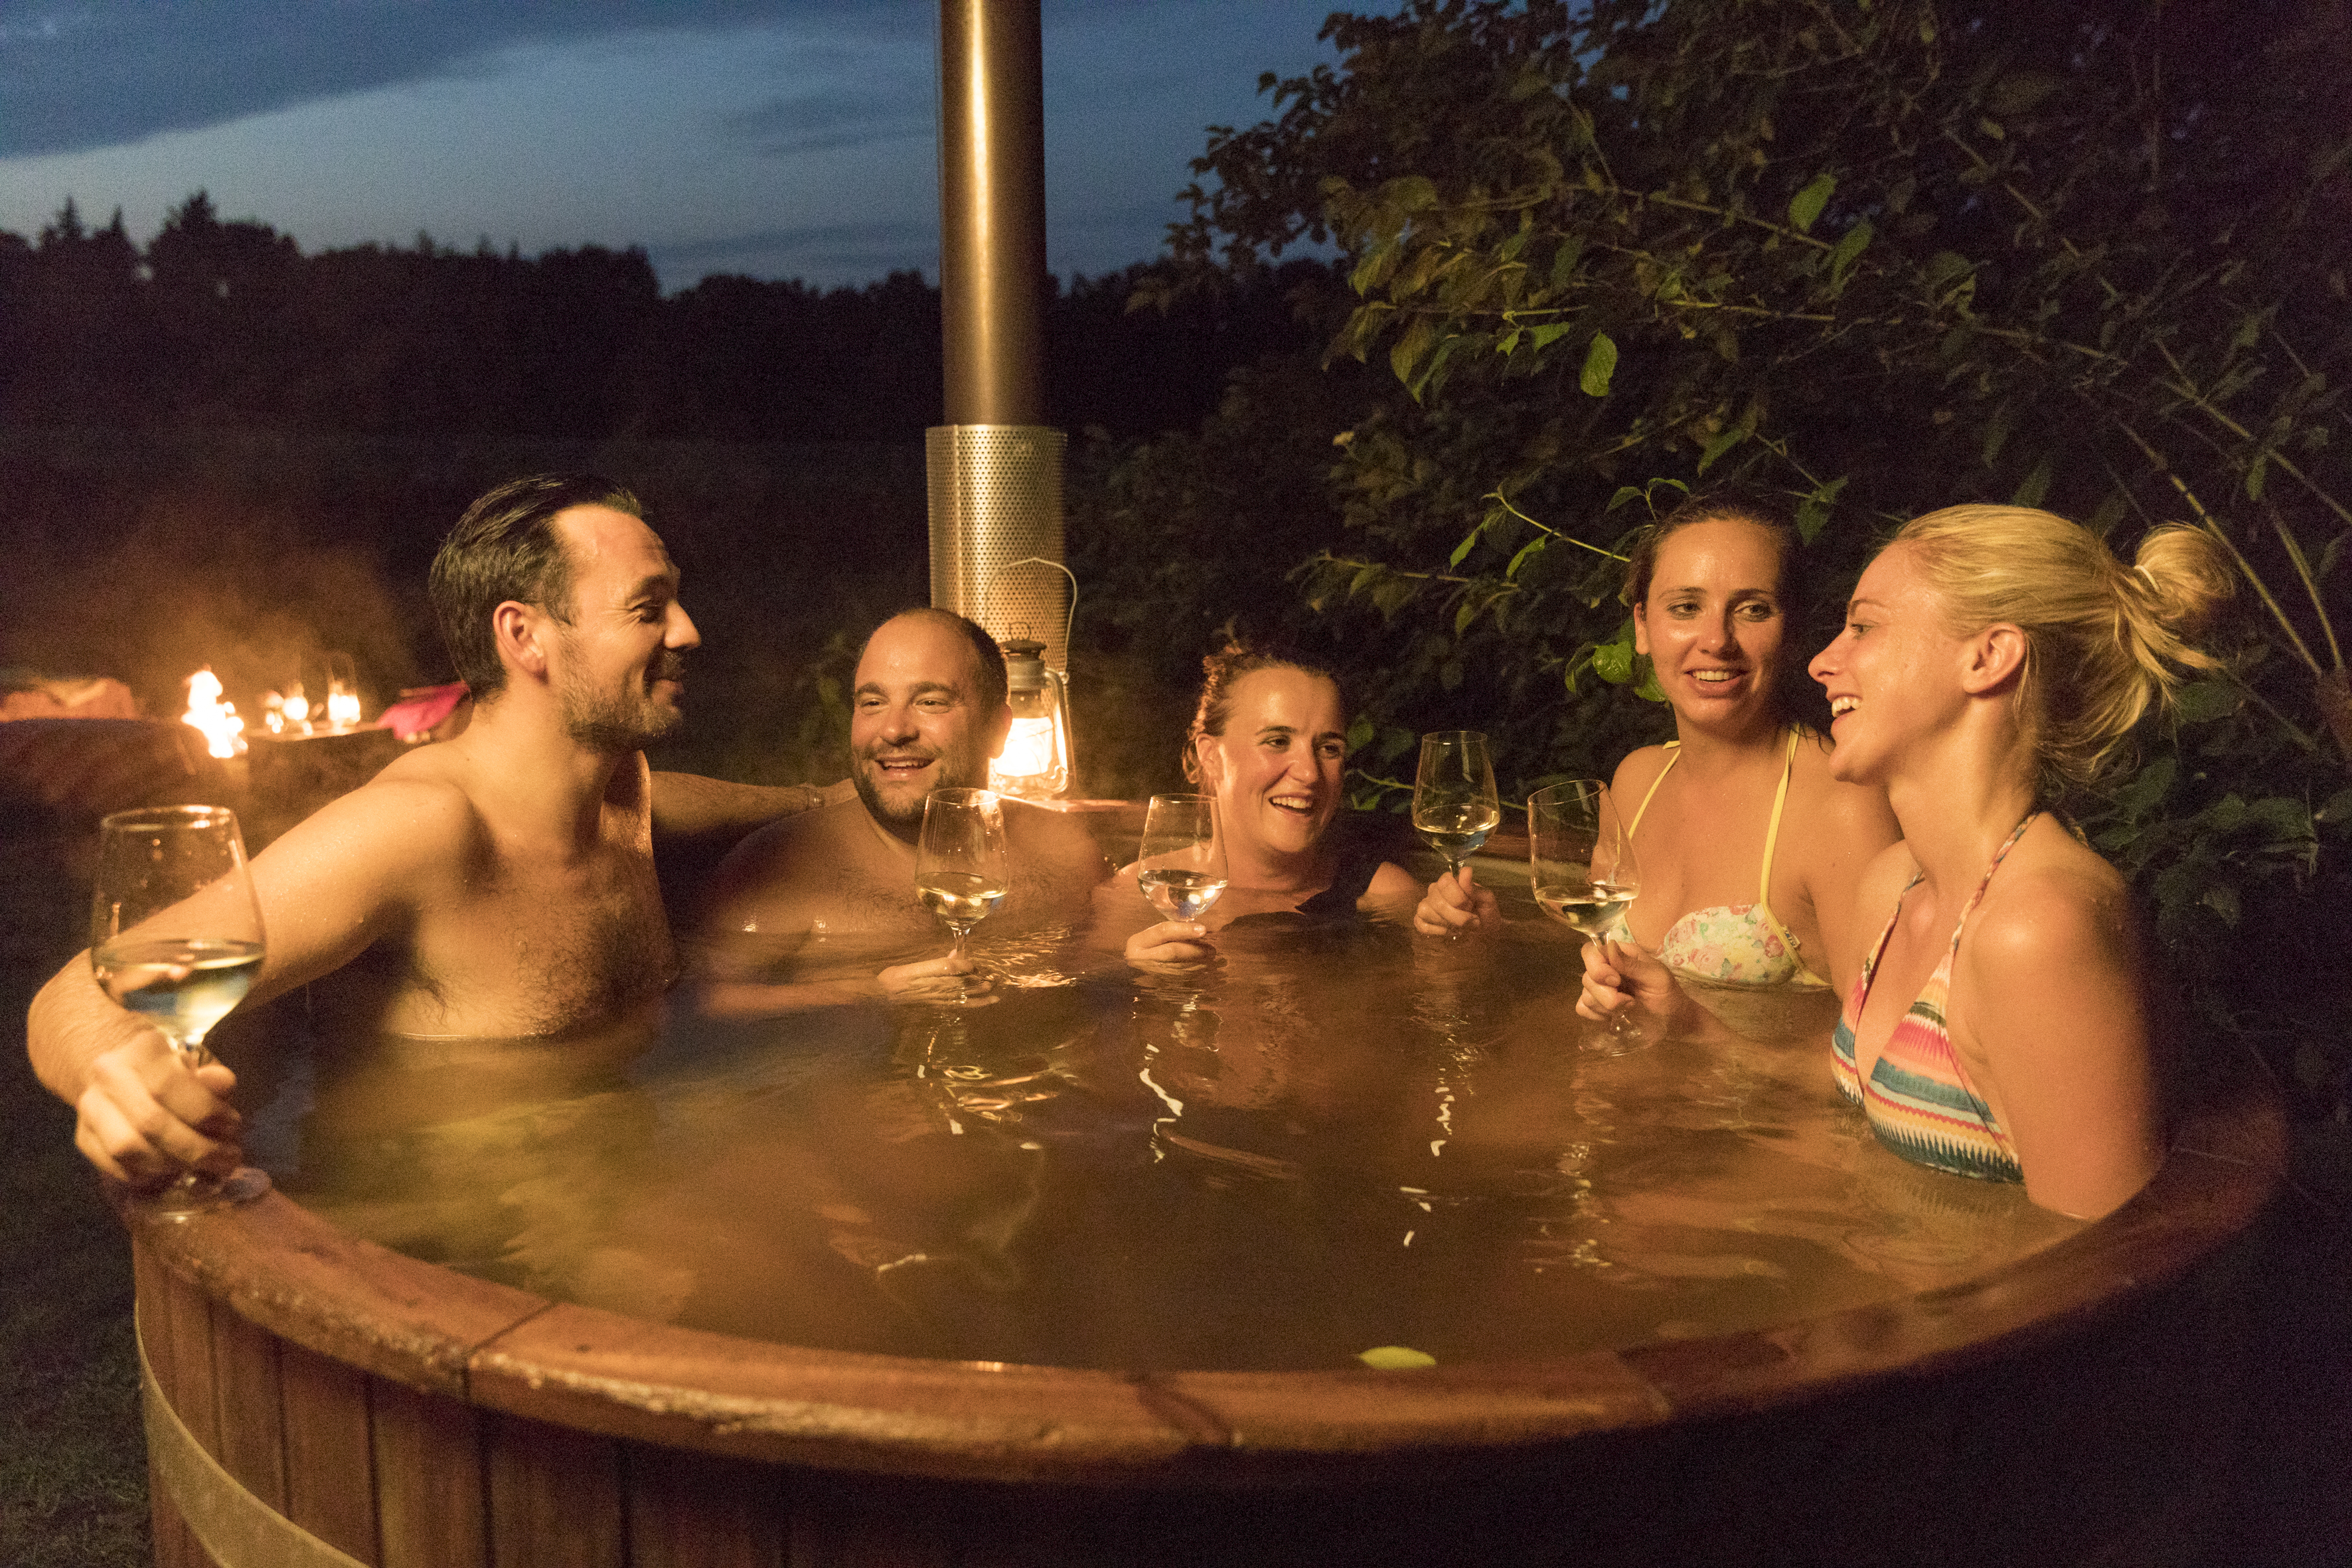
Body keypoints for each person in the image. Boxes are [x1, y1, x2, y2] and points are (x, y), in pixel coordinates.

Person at [29, 473, 832, 1188]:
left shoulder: (621, 792)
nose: (687, 632)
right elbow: (81, 994)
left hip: (612, 1174)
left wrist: (813, 799)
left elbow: (679, 807)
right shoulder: (418, 827)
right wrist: (114, 1074)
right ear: (524, 637)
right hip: (439, 1227)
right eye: (649, 608)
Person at [1808, 504, 2233, 1218]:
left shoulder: (2038, 928)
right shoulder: (1891, 887)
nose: (1822, 661)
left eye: (1864, 626)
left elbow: (2103, 1263)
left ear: (1987, 657)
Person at [1413, 493, 1899, 1029]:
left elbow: (1888, 1062)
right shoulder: (1637, 780)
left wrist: (1694, 1028)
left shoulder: (1840, 807)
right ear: (1642, 627)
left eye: (1753, 609)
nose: (1716, 640)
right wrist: (1494, 935)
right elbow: (1600, 959)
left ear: (1792, 632)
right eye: (1686, 607)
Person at [694, 609, 1107, 1007]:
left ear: (998, 729)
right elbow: (709, 1008)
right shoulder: (778, 871)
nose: (894, 730)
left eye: (930, 702)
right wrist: (870, 993)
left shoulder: (1066, 850)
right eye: (873, 703)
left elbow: (1105, 983)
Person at [1119, 645, 1419, 969]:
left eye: (1330, 748)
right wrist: (1140, 981)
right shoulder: (1132, 895)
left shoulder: (1390, 897)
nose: (1310, 773)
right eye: (1277, 741)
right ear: (1211, 756)